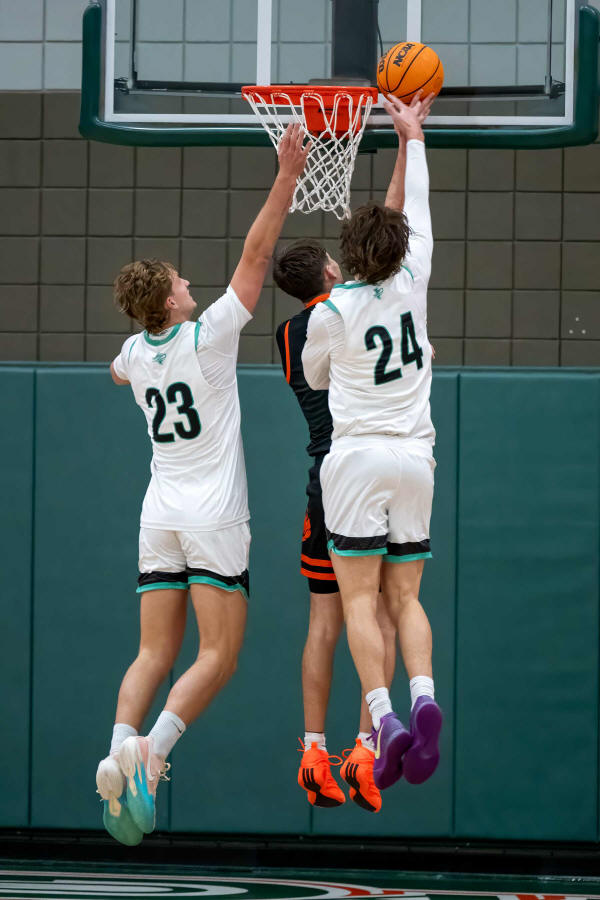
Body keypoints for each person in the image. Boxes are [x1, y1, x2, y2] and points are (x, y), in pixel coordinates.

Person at [95, 124, 309, 846]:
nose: (191, 283)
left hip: (159, 516)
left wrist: (132, 363)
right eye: (181, 282)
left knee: (152, 653)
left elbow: (117, 371)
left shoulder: (135, 351)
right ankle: (151, 754)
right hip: (213, 517)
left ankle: (117, 747)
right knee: (218, 656)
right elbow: (256, 255)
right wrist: (287, 177)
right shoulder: (209, 335)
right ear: (171, 303)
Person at [302, 92, 442, 793]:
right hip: (416, 458)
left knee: (359, 600)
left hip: (357, 459)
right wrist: (413, 136)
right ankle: (424, 696)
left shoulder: (331, 311)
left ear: (348, 256)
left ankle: (384, 719)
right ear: (399, 249)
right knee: (406, 598)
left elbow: (315, 377)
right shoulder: (416, 278)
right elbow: (416, 204)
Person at [273, 242, 397, 814]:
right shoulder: (351, 313)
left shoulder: (286, 334)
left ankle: (313, 751)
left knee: (323, 623)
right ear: (330, 269)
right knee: (384, 616)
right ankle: (366, 749)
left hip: (321, 482)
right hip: (360, 475)